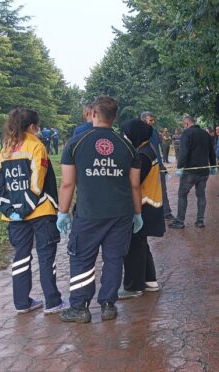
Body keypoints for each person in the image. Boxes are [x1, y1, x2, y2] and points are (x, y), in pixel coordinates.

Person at [57, 96, 143, 323]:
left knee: (82, 258)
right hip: (121, 213)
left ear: (93, 113)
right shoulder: (127, 146)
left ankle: (80, 307)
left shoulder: (75, 143)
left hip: (89, 213)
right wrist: (137, 213)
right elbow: (135, 184)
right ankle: (108, 305)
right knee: (114, 258)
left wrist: (62, 212)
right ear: (114, 117)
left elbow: (67, 183)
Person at [0, 108, 65, 315]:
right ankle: (53, 302)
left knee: (21, 257)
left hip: (14, 215)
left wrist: (8, 208)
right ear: (33, 127)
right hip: (40, 211)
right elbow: (37, 181)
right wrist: (26, 208)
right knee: (46, 256)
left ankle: (22, 302)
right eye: (38, 126)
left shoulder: (6, 149)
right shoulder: (36, 146)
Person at [119, 119, 166, 298]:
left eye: (127, 134)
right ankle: (149, 281)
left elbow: (133, 183)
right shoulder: (146, 150)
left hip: (143, 206)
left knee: (132, 248)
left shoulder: (142, 155)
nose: (125, 138)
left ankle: (133, 286)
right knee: (141, 246)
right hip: (149, 205)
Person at [169, 115, 216, 229]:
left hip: (190, 170)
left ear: (186, 124)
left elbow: (184, 152)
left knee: (182, 194)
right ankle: (200, 221)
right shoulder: (206, 134)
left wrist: (180, 167)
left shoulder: (187, 133)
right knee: (201, 195)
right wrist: (213, 166)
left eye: (183, 125)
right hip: (204, 171)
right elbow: (211, 151)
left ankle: (180, 221)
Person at [141, 112, 174, 221]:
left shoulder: (154, 132)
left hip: (158, 166)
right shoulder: (138, 132)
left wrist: (161, 163)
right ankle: (145, 214)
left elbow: (157, 148)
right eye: (150, 120)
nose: (153, 122)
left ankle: (166, 212)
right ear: (143, 120)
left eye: (153, 120)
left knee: (162, 190)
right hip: (145, 166)